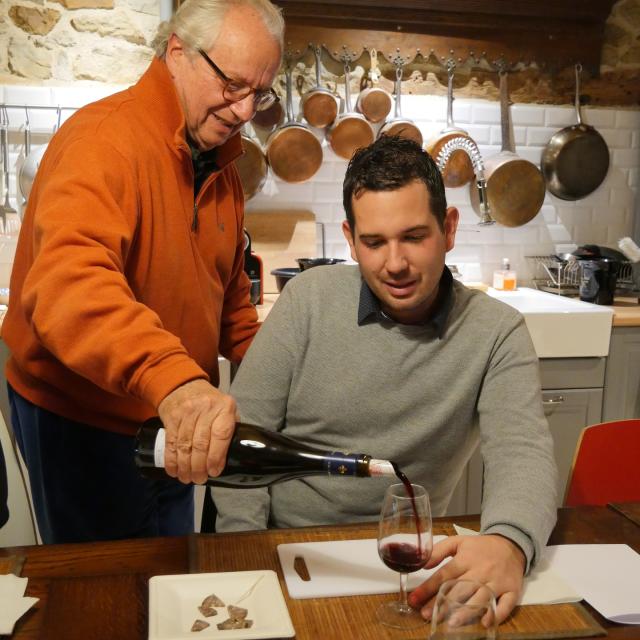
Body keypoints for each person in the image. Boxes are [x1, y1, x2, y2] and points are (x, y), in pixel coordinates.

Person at [211, 136, 558, 624]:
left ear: (449, 228)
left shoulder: (497, 332)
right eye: (374, 243)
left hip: (412, 563)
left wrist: (508, 542)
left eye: (414, 237)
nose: (395, 264)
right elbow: (241, 445)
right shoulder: (307, 301)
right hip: (288, 553)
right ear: (350, 239)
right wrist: (246, 560)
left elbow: (523, 453)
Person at [0, 0, 284, 544]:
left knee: (169, 576)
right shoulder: (104, 142)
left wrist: (284, 371)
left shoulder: (222, 166)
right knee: (104, 596)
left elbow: (229, 307)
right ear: (178, 51)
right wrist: (175, 379)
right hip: (83, 419)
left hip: (169, 413)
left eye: (260, 93)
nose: (246, 110)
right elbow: (70, 286)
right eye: (233, 85)